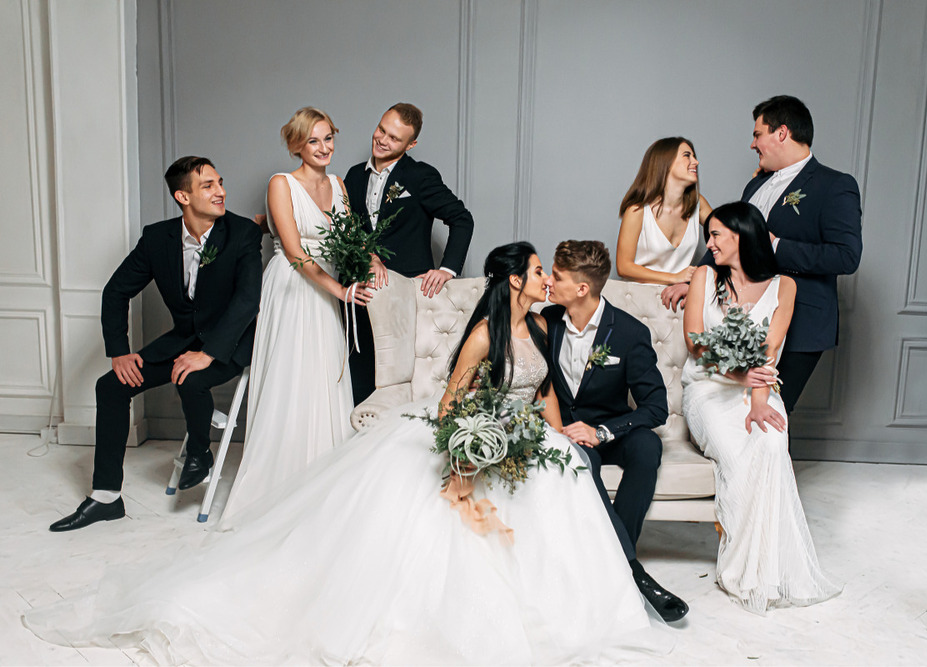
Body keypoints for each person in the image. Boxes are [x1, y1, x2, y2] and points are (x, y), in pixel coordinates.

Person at [24, 242, 672, 664]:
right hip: (467, 431)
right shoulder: (483, 333)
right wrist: (469, 451)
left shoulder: (541, 324)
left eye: (550, 274)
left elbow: (547, 394)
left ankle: (590, 593)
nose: (546, 279)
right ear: (515, 280)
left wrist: (554, 435)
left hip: (515, 434)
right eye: (538, 271)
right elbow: (450, 406)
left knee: (560, 485)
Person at [47, 157, 263, 532]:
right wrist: (119, 351)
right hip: (182, 340)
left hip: (232, 339)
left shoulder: (241, 233)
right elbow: (115, 292)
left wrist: (208, 353)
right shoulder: (157, 238)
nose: (221, 191)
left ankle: (199, 452)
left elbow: (247, 300)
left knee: (191, 380)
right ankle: (106, 497)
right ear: (182, 196)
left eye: (220, 182)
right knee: (110, 387)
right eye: (208, 185)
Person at [681, 201, 841, 614]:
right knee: (739, 458)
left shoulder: (784, 285)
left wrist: (756, 402)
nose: (709, 243)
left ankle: (768, 573)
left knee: (770, 447)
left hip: (761, 390)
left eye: (716, 235)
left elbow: (770, 350)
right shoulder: (704, 277)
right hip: (708, 389)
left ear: (741, 235)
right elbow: (696, 343)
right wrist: (738, 378)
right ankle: (739, 570)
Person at [664, 95, 862, 413]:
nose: (753, 144)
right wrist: (694, 282)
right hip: (745, 315)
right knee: (738, 410)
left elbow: (846, 256)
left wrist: (777, 245)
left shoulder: (835, 185)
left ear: (781, 133)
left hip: (802, 320)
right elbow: (730, 239)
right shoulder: (756, 185)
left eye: (758, 134)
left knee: (770, 410)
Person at [221, 107, 372, 521]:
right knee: (293, 379)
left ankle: (324, 479)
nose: (323, 148)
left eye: (328, 138)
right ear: (296, 146)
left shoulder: (340, 186)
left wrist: (370, 259)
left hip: (327, 291)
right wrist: (341, 290)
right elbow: (294, 253)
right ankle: (282, 481)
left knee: (325, 376)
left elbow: (352, 242)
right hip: (293, 290)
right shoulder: (280, 184)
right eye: (313, 141)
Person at [542, 240, 689, 622]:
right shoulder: (546, 322)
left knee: (647, 449)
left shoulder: (627, 332)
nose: (548, 281)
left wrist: (604, 431)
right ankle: (632, 571)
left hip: (612, 427)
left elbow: (656, 407)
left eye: (556, 276)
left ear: (581, 289)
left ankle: (614, 555)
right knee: (581, 460)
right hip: (568, 433)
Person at [343, 102, 475, 405]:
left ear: (411, 144)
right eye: (381, 130)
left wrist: (448, 269)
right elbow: (346, 229)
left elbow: (462, 219)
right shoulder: (352, 177)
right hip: (360, 290)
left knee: (398, 377)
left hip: (405, 295)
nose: (382, 140)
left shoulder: (420, 176)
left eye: (394, 138)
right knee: (360, 373)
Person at [616, 137, 712, 296]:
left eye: (694, 156)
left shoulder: (698, 204)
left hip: (679, 300)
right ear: (665, 162)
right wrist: (674, 278)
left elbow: (728, 233)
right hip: (638, 300)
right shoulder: (637, 210)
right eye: (687, 155)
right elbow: (623, 266)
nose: (696, 162)